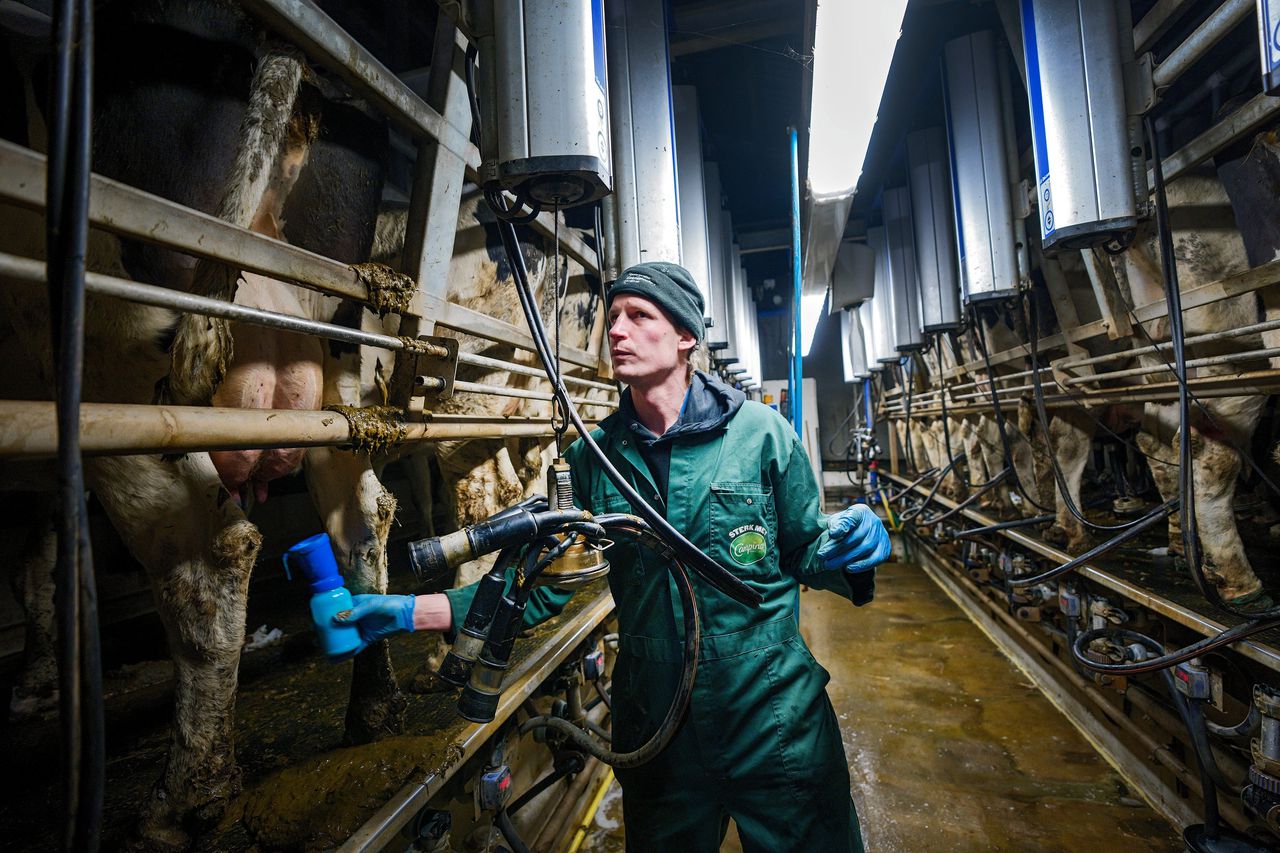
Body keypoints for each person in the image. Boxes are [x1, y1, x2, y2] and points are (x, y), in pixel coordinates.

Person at [338, 261, 891, 851]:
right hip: (658, 727)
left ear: (685, 337)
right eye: (613, 318)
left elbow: (807, 550)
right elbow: (541, 584)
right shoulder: (592, 458)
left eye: (639, 316)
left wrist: (856, 542)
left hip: (771, 716)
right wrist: (408, 613)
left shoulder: (760, 434)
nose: (617, 331)